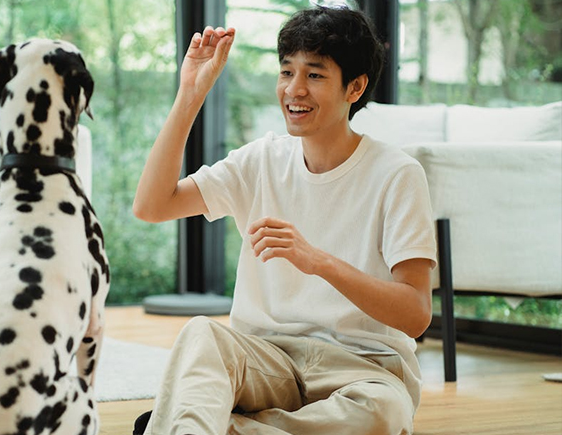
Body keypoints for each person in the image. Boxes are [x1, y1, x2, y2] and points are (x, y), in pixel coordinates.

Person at [132, 5, 436, 435]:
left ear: (355, 87)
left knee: (384, 412)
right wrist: (190, 95)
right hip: (266, 358)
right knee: (203, 336)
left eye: (315, 75)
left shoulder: (397, 174)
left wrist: (318, 261)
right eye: (286, 71)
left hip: (364, 368)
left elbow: (416, 314)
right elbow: (152, 206)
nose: (294, 89)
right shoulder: (262, 159)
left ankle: (217, 427)